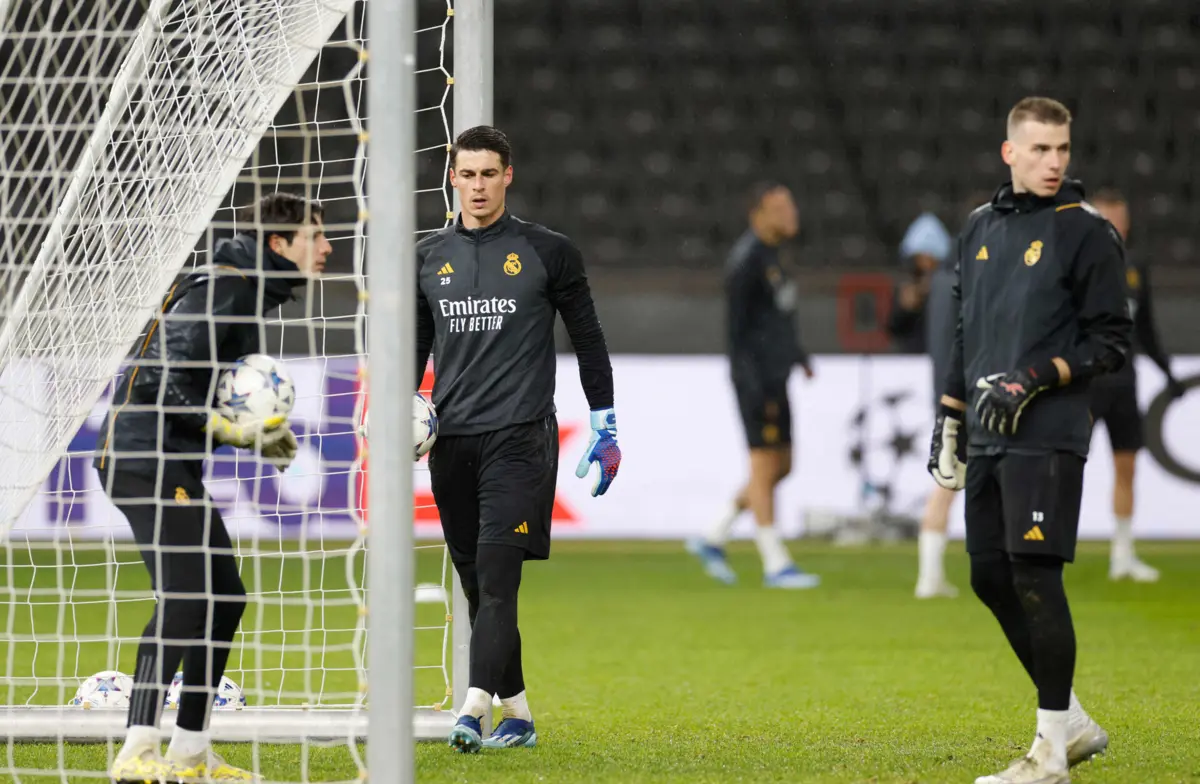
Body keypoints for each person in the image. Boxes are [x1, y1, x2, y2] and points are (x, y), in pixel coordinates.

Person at [96, 193, 330, 783]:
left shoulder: (243, 288)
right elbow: (162, 380)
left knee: (224, 596)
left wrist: (251, 433)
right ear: (279, 243)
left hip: (169, 462)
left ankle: (191, 751)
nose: (327, 248)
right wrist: (234, 430)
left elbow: (198, 389)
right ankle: (136, 749)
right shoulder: (227, 286)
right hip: (141, 457)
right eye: (315, 237)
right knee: (185, 596)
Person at [927, 97, 1128, 784]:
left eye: (1062, 149)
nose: (1054, 162)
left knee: (1037, 577)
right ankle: (1071, 722)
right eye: (1040, 149)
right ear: (1009, 152)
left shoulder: (1087, 231)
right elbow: (966, 330)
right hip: (988, 432)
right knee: (988, 574)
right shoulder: (979, 227)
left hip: (1047, 430)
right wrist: (950, 415)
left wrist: (1036, 377)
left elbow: (1112, 342)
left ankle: (1049, 755)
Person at [414, 126, 620, 753]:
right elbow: (413, 349)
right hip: (452, 442)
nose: (478, 186)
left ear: (508, 175)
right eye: (467, 174)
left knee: (499, 579)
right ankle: (520, 715)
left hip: (521, 439)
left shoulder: (548, 251)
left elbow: (588, 338)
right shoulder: (428, 256)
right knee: (478, 588)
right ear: (452, 177)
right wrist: (401, 411)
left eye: (489, 174)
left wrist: (605, 421)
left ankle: (472, 708)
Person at [686, 182, 819, 589]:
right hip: (757, 379)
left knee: (783, 465)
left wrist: (797, 355)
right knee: (763, 466)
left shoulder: (774, 256)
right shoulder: (746, 262)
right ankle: (775, 563)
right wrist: (756, 384)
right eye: (781, 208)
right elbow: (740, 333)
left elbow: (775, 318)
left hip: (776, 375)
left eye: (791, 206)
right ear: (758, 215)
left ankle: (714, 535)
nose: (791, 214)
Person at [1087, 187, 1183, 582]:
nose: (1116, 226)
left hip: (1124, 384)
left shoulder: (1134, 267)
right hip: (1086, 384)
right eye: (1108, 219)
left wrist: (1167, 372)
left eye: (1120, 219)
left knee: (1126, 468)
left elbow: (1145, 327)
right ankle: (1046, 550)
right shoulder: (1075, 264)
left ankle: (1123, 556)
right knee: (1064, 468)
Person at [886, 211, 960, 599]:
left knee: (948, 482)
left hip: (947, 397)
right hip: (970, 398)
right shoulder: (960, 282)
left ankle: (930, 576)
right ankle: (930, 578)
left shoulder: (939, 286)